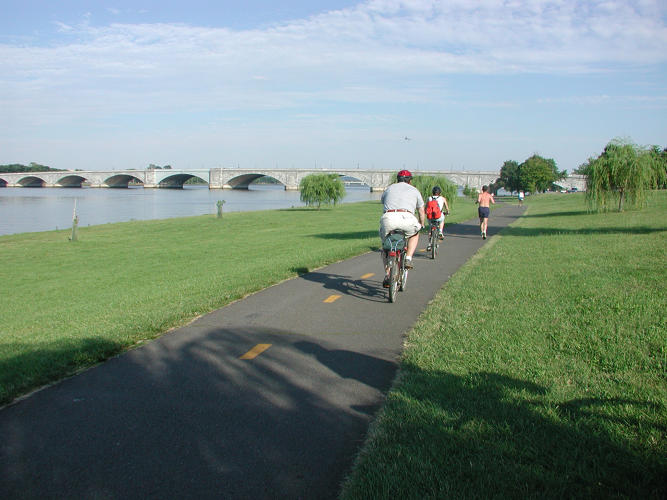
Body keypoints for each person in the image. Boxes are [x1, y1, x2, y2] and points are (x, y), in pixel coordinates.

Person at [379, 170, 425, 287]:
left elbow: (383, 202)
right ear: (409, 180)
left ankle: (388, 274)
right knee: (415, 233)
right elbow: (421, 210)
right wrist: (422, 223)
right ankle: (408, 258)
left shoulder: (389, 188)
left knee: (385, 248)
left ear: (397, 179)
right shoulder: (415, 190)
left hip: (389, 218)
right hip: (407, 218)